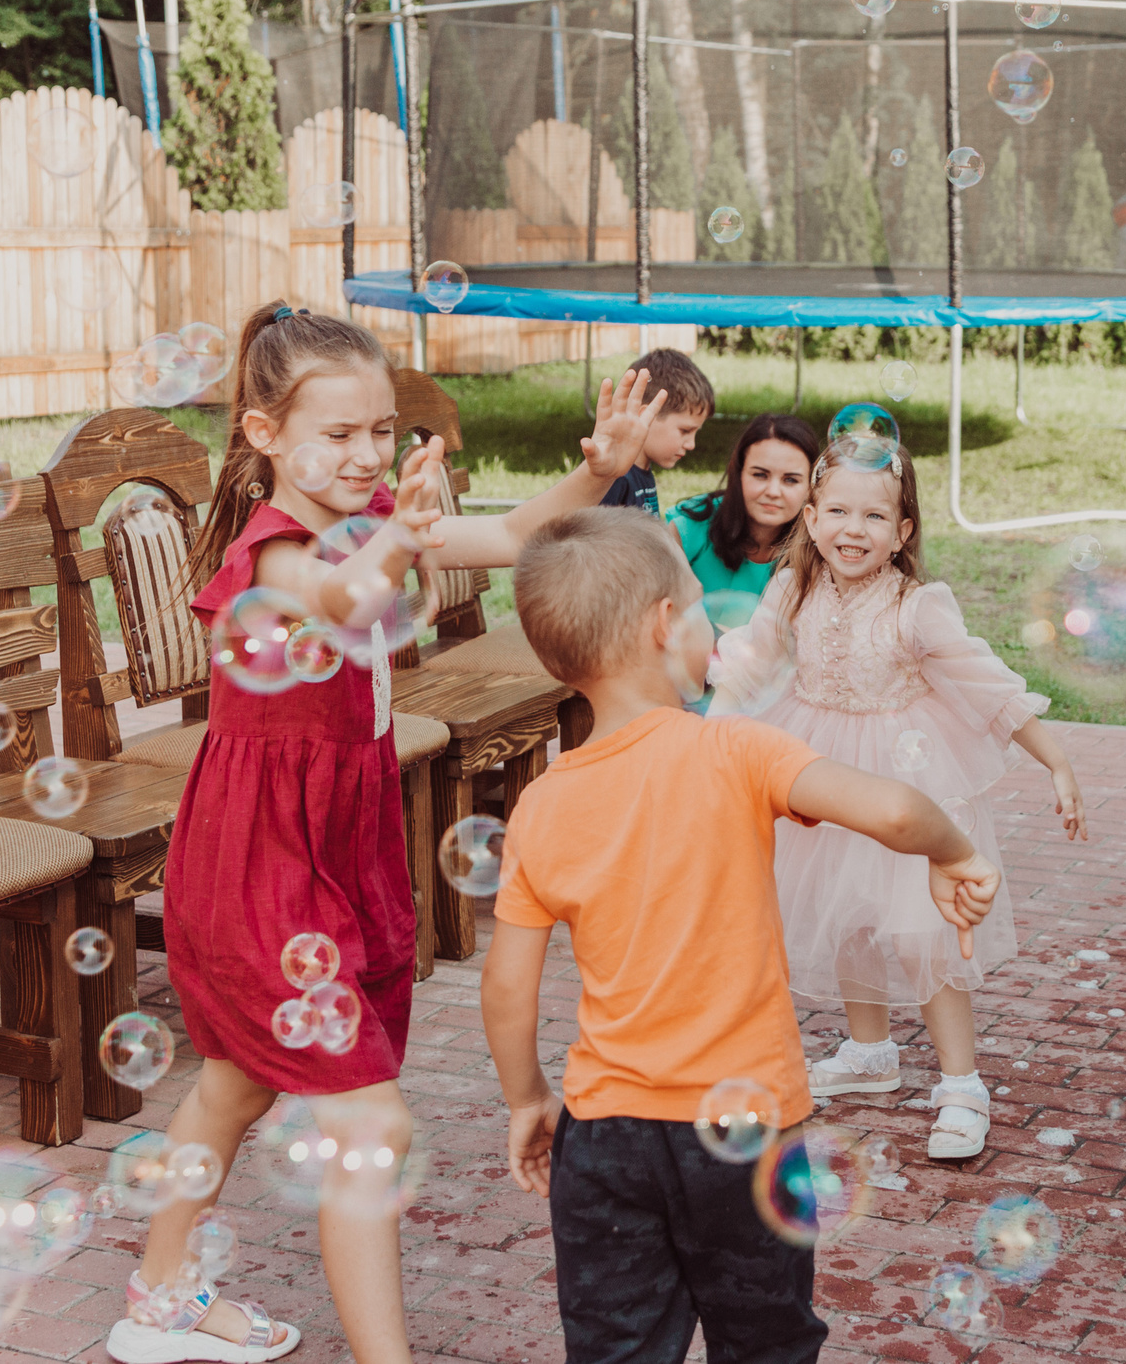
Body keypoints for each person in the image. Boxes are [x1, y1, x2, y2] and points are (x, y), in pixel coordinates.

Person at [105, 303, 665, 1364]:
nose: (367, 455)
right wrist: (401, 536)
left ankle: (161, 1299)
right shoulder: (273, 555)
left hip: (334, 851)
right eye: (340, 434)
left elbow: (507, 537)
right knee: (372, 1128)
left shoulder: (366, 525)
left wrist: (596, 472)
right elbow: (349, 600)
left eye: (379, 430)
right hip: (262, 866)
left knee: (234, 1079)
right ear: (263, 435)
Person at [479, 506, 1000, 1363]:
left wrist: (528, 1099)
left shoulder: (543, 801)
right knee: (766, 1342)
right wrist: (956, 853)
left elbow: (507, 986)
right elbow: (899, 810)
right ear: (661, 626)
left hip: (606, 1132)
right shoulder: (736, 751)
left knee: (617, 1347)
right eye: (696, 606)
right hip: (747, 1126)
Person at [711, 440, 1085, 1160]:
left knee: (922, 929)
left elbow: (985, 682)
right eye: (839, 511)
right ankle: (870, 1051)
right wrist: (708, 737)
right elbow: (751, 660)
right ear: (811, 516)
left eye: (876, 515)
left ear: (903, 530)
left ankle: (962, 1084)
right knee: (846, 910)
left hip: (910, 780)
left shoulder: (918, 607)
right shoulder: (790, 588)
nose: (855, 528)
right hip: (819, 773)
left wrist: (1057, 760)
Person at [664, 411, 818, 621]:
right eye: (760, 475)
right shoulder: (688, 529)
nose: (773, 491)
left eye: (790, 480)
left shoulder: (818, 545)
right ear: (739, 475)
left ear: (810, 487)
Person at [597, 347, 712, 516]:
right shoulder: (615, 480)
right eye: (685, 431)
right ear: (645, 417)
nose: (691, 445)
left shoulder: (641, 472)